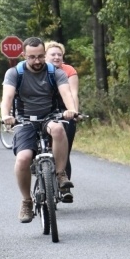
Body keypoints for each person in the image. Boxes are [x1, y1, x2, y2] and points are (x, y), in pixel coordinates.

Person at [0, 37, 78, 223]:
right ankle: (27, 201)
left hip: (50, 116)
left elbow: (66, 94)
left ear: (44, 54)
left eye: (41, 56)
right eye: (32, 57)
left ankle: (60, 174)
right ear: (24, 56)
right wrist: (5, 116)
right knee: (23, 158)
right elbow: (7, 97)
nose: (37, 61)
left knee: (59, 130)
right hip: (25, 119)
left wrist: (71, 110)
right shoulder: (14, 73)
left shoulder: (55, 72)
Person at [46, 41, 79, 202]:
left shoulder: (68, 71)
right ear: (45, 56)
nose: (57, 57)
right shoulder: (38, 72)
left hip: (64, 112)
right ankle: (42, 173)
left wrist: (73, 112)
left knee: (64, 152)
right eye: (53, 54)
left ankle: (64, 187)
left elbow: (73, 94)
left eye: (59, 54)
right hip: (44, 113)